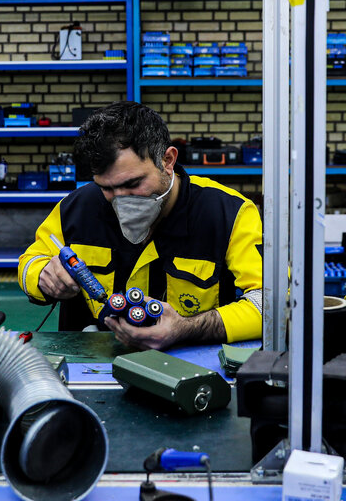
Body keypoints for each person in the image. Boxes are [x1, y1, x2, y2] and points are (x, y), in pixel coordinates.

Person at [18, 101, 263, 349]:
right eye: (107, 188)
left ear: (167, 160)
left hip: (192, 364)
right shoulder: (77, 208)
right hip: (93, 364)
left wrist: (185, 329)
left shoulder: (228, 214)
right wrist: (42, 276)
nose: (121, 199)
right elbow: (31, 260)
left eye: (133, 183)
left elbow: (268, 303)